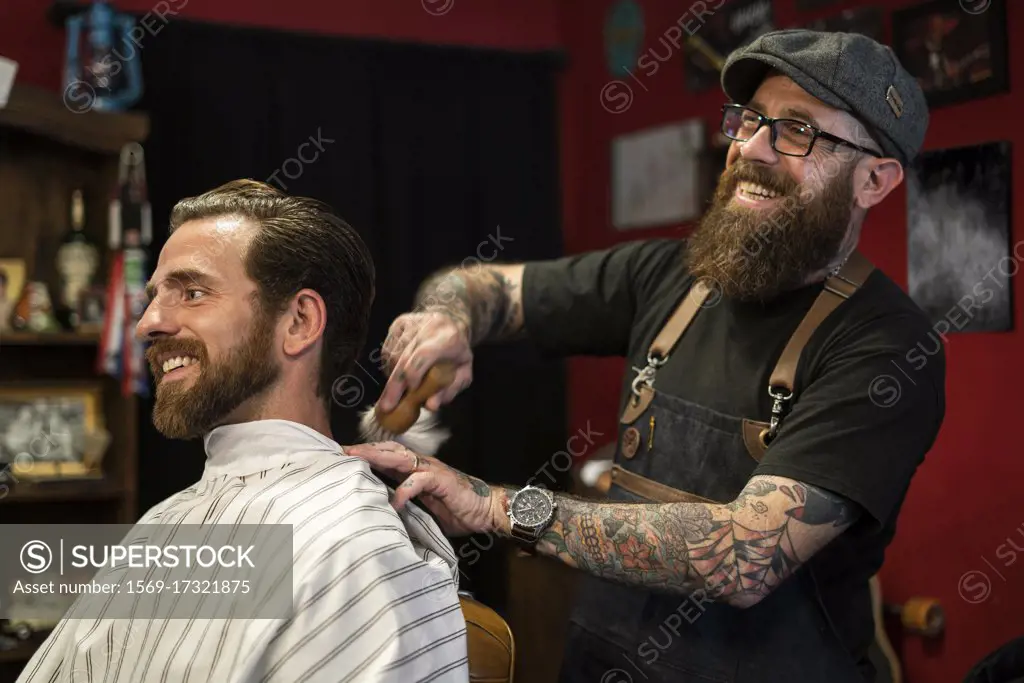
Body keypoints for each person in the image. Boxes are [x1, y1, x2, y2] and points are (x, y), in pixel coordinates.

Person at [348, 30, 946, 683]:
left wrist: (496, 507)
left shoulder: (886, 344)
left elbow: (744, 555)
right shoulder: (670, 275)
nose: (750, 147)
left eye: (797, 131)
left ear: (875, 178)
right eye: (751, 121)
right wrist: (449, 320)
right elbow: (480, 287)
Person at [17, 180, 469, 683]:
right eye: (154, 299)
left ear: (299, 322)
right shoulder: (165, 522)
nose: (148, 323)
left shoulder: (353, 542)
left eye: (192, 292)